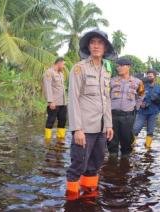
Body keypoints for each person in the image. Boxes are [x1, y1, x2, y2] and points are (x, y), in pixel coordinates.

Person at [66, 29, 116, 201]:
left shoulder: (107, 70)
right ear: (88, 46)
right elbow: (73, 99)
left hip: (101, 128)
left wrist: (109, 125)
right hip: (84, 128)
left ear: (105, 47)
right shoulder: (79, 68)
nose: (96, 46)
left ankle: (89, 199)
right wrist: (77, 129)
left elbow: (106, 99)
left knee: (95, 165)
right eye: (93, 42)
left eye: (100, 43)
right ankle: (71, 200)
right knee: (78, 165)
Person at [108, 57, 145, 157]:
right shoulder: (111, 81)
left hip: (128, 116)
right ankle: (112, 159)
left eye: (121, 66)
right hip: (112, 115)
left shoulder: (138, 82)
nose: (118, 68)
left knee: (126, 140)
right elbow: (106, 96)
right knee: (111, 140)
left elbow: (141, 95)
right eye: (118, 66)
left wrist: (135, 108)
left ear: (128, 67)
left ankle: (125, 162)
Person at [133, 69, 160, 148]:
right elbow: (135, 97)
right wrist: (140, 104)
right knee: (136, 129)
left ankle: (147, 148)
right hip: (142, 112)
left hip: (153, 113)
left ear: (155, 77)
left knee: (150, 131)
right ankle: (131, 146)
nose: (149, 77)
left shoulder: (158, 88)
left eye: (151, 76)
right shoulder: (142, 86)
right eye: (148, 76)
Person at [43, 57, 67, 143]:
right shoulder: (49, 72)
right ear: (59, 63)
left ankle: (60, 140)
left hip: (63, 103)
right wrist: (50, 101)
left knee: (63, 121)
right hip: (54, 103)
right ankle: (47, 140)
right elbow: (47, 87)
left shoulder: (61, 74)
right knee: (51, 121)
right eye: (63, 64)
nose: (64, 66)